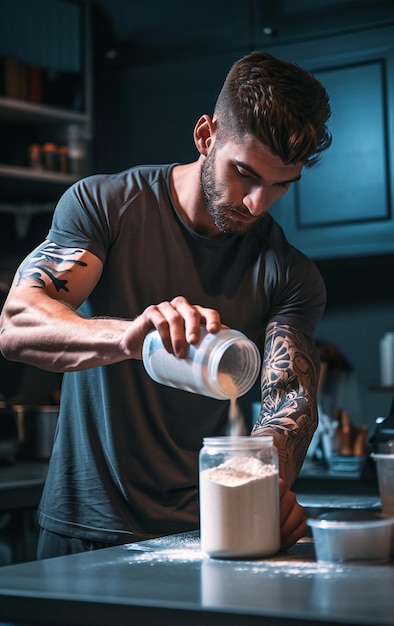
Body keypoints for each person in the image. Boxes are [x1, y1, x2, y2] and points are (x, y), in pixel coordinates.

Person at [0, 51, 331, 558]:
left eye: (281, 185)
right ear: (205, 136)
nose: (256, 204)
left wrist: (264, 485)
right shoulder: (104, 205)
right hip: (81, 531)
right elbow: (18, 324)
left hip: (205, 535)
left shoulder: (288, 271)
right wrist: (129, 337)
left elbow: (289, 400)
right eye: (244, 173)